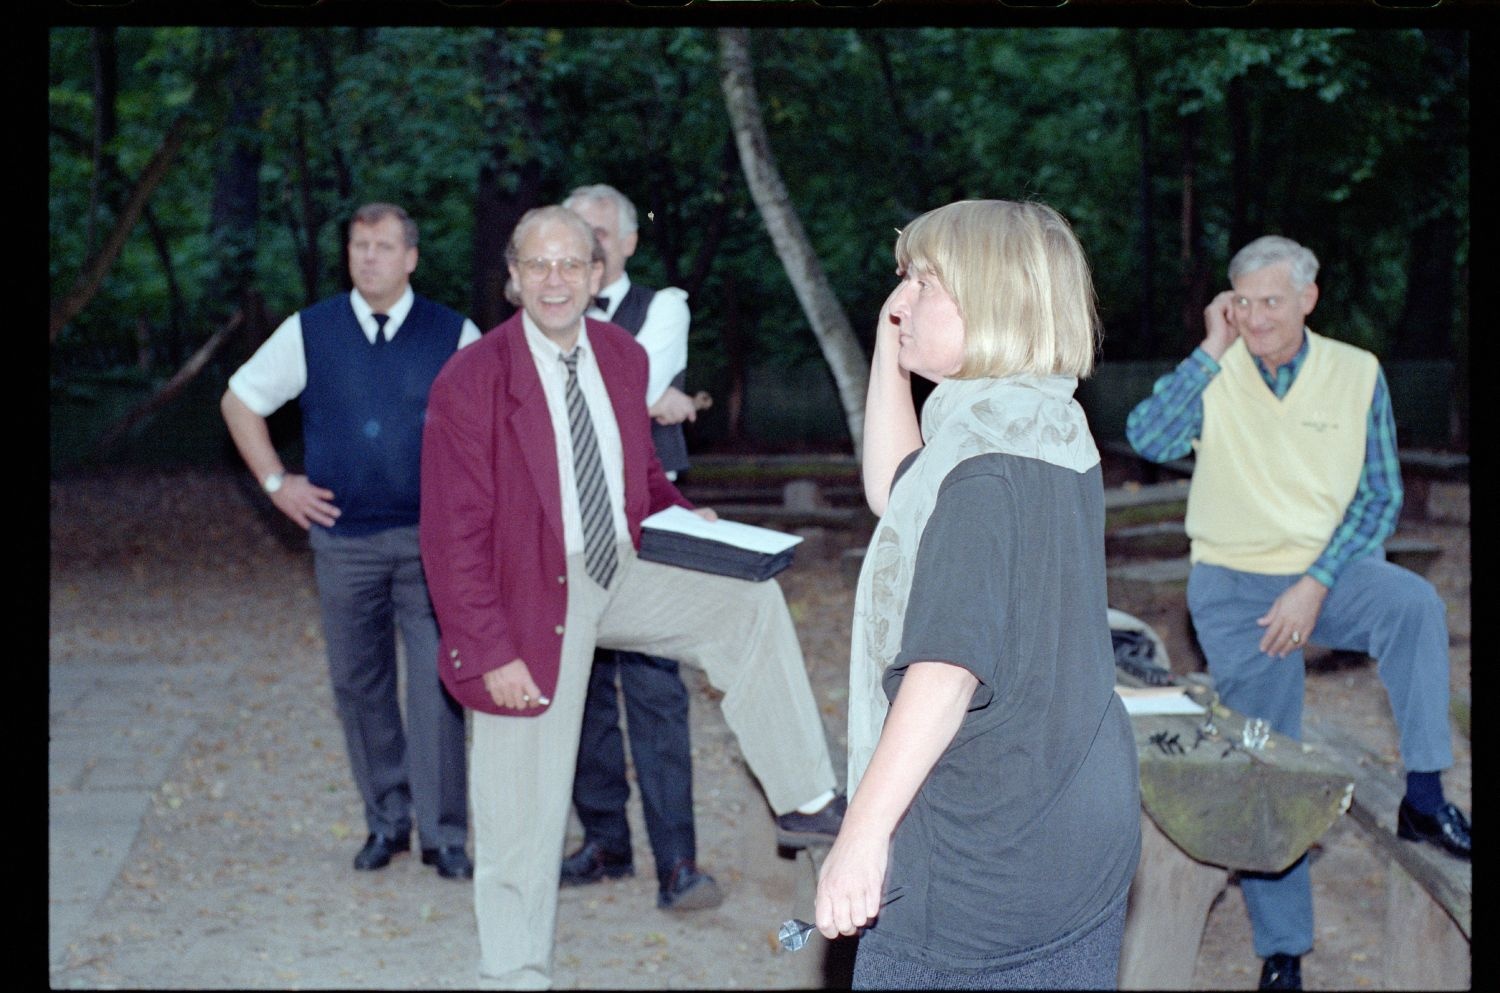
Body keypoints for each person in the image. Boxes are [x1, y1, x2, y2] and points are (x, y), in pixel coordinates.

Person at [417, 204, 845, 988]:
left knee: (745, 601)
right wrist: (488, 651)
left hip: (619, 563)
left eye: (570, 264)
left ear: (595, 273)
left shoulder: (620, 355)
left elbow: (638, 479)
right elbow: (449, 539)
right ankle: (514, 972)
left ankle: (806, 795)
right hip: (522, 594)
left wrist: (693, 525)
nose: (555, 280)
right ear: (512, 280)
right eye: (537, 265)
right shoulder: (471, 380)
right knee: (521, 810)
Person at [1125, 234, 1470, 991]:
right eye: (1241, 301)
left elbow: (1379, 495)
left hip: (1330, 570)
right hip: (1233, 582)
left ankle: (1424, 796)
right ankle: (1283, 950)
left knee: (1412, 603)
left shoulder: (1357, 372)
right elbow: (1146, 435)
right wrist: (1210, 349)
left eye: (1270, 301)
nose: (1254, 317)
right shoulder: (1218, 369)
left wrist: (1315, 581)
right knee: (1268, 750)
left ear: (1309, 299)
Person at [816, 200, 1141, 989]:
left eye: (925, 282)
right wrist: (891, 360)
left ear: (992, 300)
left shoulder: (983, 470)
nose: (902, 302)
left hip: (987, 849)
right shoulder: (1039, 422)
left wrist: (862, 831)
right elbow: (899, 489)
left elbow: (947, 668)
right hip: (1071, 810)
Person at [220, 202, 480, 880]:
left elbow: (492, 428)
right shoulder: (311, 331)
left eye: (384, 246)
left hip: (431, 544)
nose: (369, 257)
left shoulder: (454, 333)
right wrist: (277, 483)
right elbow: (239, 400)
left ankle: (444, 833)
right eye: (359, 245)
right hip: (344, 542)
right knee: (359, 684)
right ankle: (386, 820)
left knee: (436, 684)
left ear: (411, 257)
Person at [553, 184, 718, 912]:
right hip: (571, 517)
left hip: (652, 515)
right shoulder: (547, 311)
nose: (583, 244)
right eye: (571, 230)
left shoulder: (666, 306)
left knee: (654, 686)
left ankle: (678, 862)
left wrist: (650, 398)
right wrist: (649, 401)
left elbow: (623, 388)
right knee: (581, 684)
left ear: (626, 243)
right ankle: (604, 842)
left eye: (596, 231)